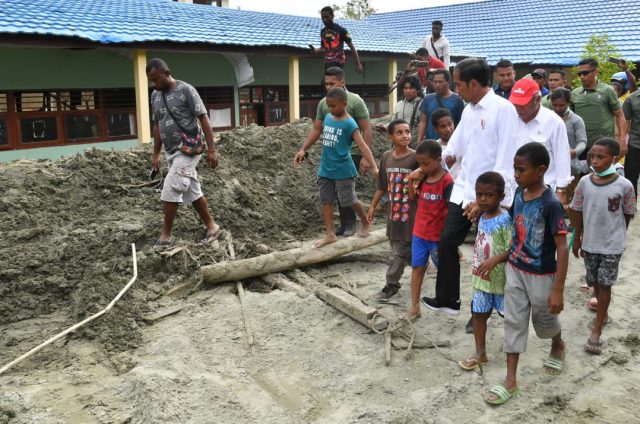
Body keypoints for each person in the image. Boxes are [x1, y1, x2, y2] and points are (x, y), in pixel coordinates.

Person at [422, 57, 519, 316]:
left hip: (491, 196)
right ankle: (448, 299)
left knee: (488, 251)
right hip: (465, 189)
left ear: (474, 83)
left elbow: (506, 157)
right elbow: (456, 143)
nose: (457, 89)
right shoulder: (468, 109)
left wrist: (486, 200)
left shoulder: (503, 109)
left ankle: (491, 305)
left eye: (459, 84)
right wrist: (446, 155)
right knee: (447, 240)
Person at [485, 142, 569, 405]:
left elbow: (562, 248)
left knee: (544, 323)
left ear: (541, 170)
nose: (516, 175)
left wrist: (558, 289)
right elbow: (515, 233)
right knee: (514, 321)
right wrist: (500, 258)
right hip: (516, 270)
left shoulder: (551, 204)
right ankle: (511, 381)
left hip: (542, 275)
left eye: (521, 169)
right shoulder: (519, 195)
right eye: (514, 169)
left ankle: (557, 343)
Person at [146, 58, 221, 251]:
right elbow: (157, 125)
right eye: (151, 80)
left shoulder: (186, 90)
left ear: (167, 72)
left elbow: (203, 118)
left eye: (156, 79)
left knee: (170, 189)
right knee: (192, 191)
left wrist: (212, 149)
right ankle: (212, 227)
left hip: (188, 149)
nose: (154, 84)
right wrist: (155, 155)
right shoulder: (155, 95)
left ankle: (166, 235)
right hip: (171, 151)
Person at [570, 137, 636, 355]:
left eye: (601, 157)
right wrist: (577, 238)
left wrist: (617, 235)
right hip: (590, 243)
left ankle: (597, 328)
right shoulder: (584, 183)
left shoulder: (624, 185)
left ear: (614, 159)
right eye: (593, 156)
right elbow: (577, 211)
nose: (595, 161)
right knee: (594, 281)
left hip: (611, 245)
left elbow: (627, 214)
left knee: (605, 284)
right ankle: (602, 311)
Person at [293, 88, 377, 247]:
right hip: (326, 168)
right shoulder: (328, 118)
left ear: (344, 104)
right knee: (326, 199)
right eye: (328, 106)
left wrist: (373, 165)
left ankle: (366, 222)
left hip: (343, 169)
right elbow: (317, 132)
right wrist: (303, 149)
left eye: (333, 106)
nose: (330, 109)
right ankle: (330, 234)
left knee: (348, 199)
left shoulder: (350, 124)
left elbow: (363, 146)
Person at [458, 172, 512, 371]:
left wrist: (495, 260)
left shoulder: (505, 220)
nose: (482, 199)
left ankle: (512, 353)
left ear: (501, 196)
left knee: (510, 317)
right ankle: (480, 353)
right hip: (481, 278)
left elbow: (512, 248)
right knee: (479, 313)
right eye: (479, 194)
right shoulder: (481, 215)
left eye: (489, 195)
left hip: (502, 281)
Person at [367, 119, 419, 300]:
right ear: (391, 136)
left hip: (411, 214)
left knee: (399, 252)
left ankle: (391, 285)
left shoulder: (416, 157)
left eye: (407, 132)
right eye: (400, 132)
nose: (405, 135)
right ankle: (421, 265)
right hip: (394, 214)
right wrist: (373, 206)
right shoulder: (387, 157)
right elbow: (382, 186)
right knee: (401, 249)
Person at [404, 140, 453, 320]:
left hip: (437, 237)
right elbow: (412, 198)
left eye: (425, 163)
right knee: (417, 267)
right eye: (420, 164)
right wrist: (411, 180)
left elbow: (450, 210)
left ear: (438, 160)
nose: (422, 167)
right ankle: (415, 306)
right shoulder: (421, 178)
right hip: (419, 233)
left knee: (444, 269)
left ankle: (446, 300)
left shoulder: (447, 181)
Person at [509, 78, 572, 204]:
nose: (518, 108)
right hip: (512, 191)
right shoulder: (509, 118)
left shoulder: (553, 122)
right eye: (516, 104)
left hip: (543, 192)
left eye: (523, 104)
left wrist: (561, 190)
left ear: (538, 99)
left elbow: (562, 157)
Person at [572, 58, 627, 159]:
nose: (582, 76)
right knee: (584, 175)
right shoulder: (574, 93)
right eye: (579, 74)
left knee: (605, 174)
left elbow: (619, 115)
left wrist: (622, 140)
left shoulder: (607, 90)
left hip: (604, 147)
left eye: (585, 73)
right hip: (581, 146)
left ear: (596, 71)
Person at [549, 88, 588, 196]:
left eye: (561, 105)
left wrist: (574, 152)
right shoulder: (548, 118)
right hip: (550, 166)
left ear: (568, 103)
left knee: (565, 199)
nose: (558, 108)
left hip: (571, 167)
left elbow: (582, 141)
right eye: (555, 105)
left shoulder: (576, 120)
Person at [417, 69, 465, 142]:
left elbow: (461, 124)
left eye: (440, 82)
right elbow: (423, 122)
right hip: (430, 144)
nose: (437, 85)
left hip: (449, 144)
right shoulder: (427, 99)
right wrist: (419, 142)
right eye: (435, 82)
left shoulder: (457, 100)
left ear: (448, 82)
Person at [312, 6, 363, 73]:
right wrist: (316, 50)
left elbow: (352, 47)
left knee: (329, 81)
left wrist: (358, 63)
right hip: (328, 62)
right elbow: (323, 48)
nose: (324, 19)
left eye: (326, 17)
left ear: (332, 16)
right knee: (328, 82)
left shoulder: (341, 30)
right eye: (322, 17)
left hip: (338, 61)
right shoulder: (323, 32)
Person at [376, 76, 423, 147]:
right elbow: (394, 122)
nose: (408, 91)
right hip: (401, 144)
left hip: (417, 144)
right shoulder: (399, 105)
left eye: (411, 88)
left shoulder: (423, 104)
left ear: (417, 90)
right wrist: (384, 127)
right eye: (405, 88)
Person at [431, 108, 459, 179]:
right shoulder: (434, 148)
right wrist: (448, 167)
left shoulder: (462, 142)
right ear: (435, 129)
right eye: (443, 126)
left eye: (450, 124)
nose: (448, 129)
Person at [623, 86, 640, 196]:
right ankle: (630, 209)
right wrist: (623, 143)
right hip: (635, 145)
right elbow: (625, 122)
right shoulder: (632, 99)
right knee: (630, 178)